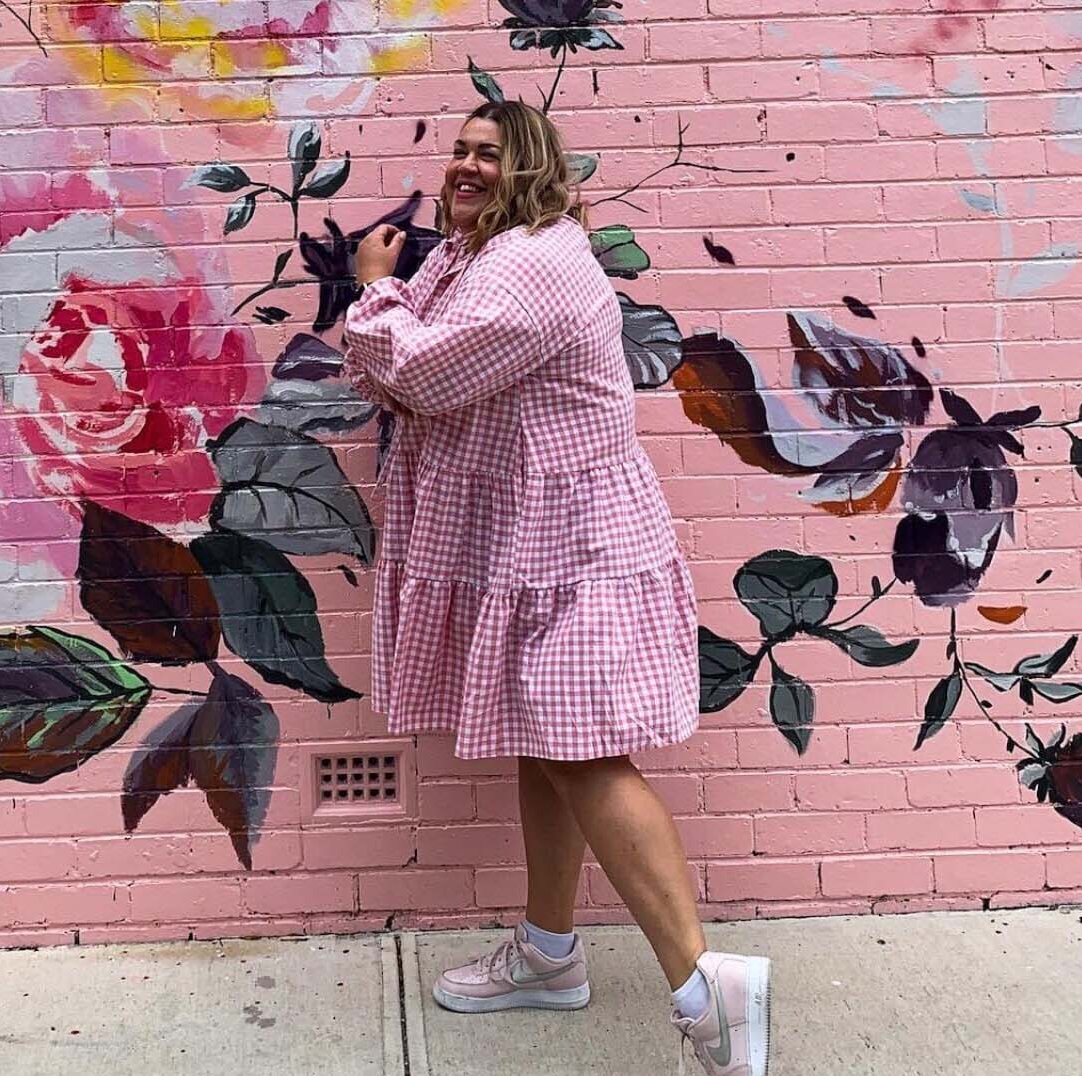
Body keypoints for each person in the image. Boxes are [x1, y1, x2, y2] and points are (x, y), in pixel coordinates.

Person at [341, 100, 772, 1076]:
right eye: (458, 150)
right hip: (528, 537)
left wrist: (374, 290)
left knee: (583, 755)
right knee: (546, 741)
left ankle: (706, 987)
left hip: (571, 545)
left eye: (489, 153)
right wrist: (396, 307)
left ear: (531, 166)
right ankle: (548, 953)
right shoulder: (474, 257)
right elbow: (399, 380)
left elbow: (422, 374)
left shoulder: (532, 263)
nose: (465, 165)